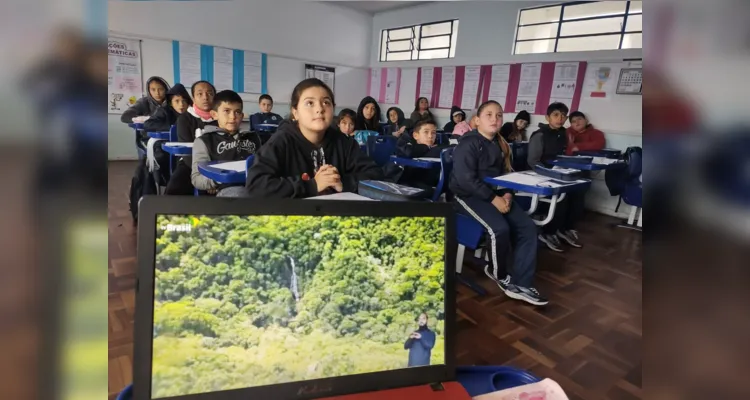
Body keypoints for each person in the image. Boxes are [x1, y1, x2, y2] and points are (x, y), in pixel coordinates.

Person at [450, 100, 547, 306]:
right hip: (467, 196)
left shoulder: (500, 143)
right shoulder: (468, 143)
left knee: (528, 227)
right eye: (489, 115)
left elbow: (505, 174)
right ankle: (500, 274)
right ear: (477, 120)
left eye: (499, 115)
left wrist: (507, 195)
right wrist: (494, 199)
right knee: (499, 229)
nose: (495, 119)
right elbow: (466, 180)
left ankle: (523, 282)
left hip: (496, 196)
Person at [246, 78, 384, 198]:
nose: (319, 109)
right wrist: (312, 185)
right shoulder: (282, 141)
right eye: (309, 103)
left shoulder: (343, 142)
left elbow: (375, 174)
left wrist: (342, 182)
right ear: (295, 112)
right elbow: (256, 186)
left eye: (326, 103)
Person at [527, 102, 583, 252]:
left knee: (577, 194)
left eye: (563, 116)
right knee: (562, 197)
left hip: (559, 172)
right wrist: (551, 174)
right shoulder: (539, 135)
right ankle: (548, 232)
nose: (560, 118)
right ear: (547, 117)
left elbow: (567, 154)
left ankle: (564, 229)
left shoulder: (564, 134)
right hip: (539, 174)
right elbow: (533, 162)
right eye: (556, 115)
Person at [191, 90, 261, 197]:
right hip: (229, 189)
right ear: (214, 114)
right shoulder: (204, 141)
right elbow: (197, 179)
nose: (233, 117)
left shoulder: (254, 137)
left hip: (257, 186)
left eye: (237, 112)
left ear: (242, 116)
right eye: (226, 111)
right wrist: (216, 181)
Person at [164, 81, 217, 195]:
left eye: (209, 93)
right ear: (193, 98)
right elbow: (187, 152)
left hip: (217, 162)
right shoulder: (185, 119)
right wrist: (203, 175)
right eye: (200, 94)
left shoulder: (221, 117)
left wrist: (213, 174)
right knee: (175, 188)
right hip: (190, 163)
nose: (205, 97)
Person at [395, 119, 450, 191]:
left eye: (433, 133)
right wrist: (427, 147)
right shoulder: (405, 144)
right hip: (408, 182)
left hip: (429, 181)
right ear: (415, 135)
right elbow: (408, 152)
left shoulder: (437, 146)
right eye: (426, 132)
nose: (430, 136)